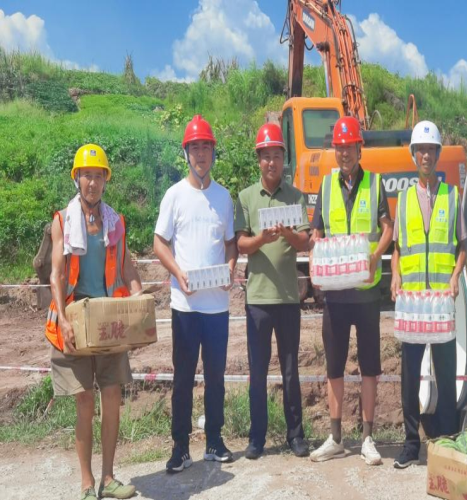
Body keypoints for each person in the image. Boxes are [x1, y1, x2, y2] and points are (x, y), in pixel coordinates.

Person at [45, 144, 141, 500]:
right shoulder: (63, 220)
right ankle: (87, 484)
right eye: (86, 175)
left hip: (107, 316)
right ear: (77, 179)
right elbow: (56, 275)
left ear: (105, 180)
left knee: (112, 395)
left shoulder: (115, 222)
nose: (92, 182)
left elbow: (127, 267)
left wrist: (138, 301)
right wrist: (64, 320)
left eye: (98, 176)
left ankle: (108, 477)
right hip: (74, 315)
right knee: (85, 399)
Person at [154, 115, 238, 473]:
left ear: (213, 152)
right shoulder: (174, 195)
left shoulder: (224, 197)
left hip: (217, 306)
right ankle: (181, 447)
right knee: (184, 378)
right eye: (195, 147)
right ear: (186, 153)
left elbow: (231, 244)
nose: (200, 154)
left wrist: (231, 268)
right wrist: (178, 273)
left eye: (206, 147)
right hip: (185, 305)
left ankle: (214, 441)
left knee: (216, 377)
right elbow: (159, 243)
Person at [308, 116, 393, 466]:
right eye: (339, 148)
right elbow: (316, 232)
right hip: (336, 295)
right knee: (335, 366)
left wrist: (374, 257)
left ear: (360, 148)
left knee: (370, 366)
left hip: (366, 292)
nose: (344, 153)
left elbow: (388, 229)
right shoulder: (326, 186)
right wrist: (315, 258)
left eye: (349, 147)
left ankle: (368, 438)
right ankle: (336, 438)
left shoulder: (375, 183)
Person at [390, 120, 466, 469]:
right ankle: (411, 444)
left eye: (431, 150)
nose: (425, 155)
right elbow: (397, 248)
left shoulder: (452, 196)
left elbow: (462, 246)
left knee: (446, 373)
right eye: (420, 150)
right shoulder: (405, 198)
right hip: (412, 304)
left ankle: (447, 439)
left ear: (437, 154)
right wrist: (395, 276)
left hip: (441, 303)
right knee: (410, 375)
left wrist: (455, 277)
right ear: (414, 155)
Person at [235, 123, 311, 459]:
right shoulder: (246, 197)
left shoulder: (296, 197)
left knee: (291, 371)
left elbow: (305, 241)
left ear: (284, 159)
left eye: (276, 156)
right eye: (265, 156)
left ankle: (296, 435)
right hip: (258, 300)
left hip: (289, 298)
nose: (271, 162)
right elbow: (240, 244)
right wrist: (261, 239)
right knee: (258, 372)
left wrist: (287, 234)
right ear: (258, 160)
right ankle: (257, 438)